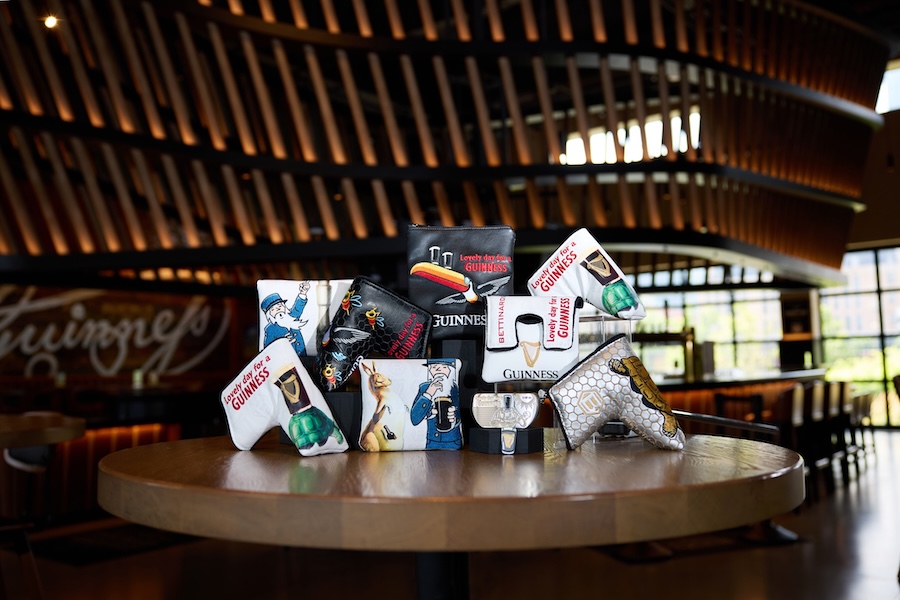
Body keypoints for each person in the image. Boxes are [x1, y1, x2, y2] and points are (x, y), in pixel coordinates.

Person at [410, 358, 461, 449]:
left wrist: (454, 419)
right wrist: (429, 393)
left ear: (451, 371)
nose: (438, 370)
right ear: (430, 371)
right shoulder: (424, 388)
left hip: (453, 441)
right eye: (434, 367)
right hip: (432, 441)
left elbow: (459, 414)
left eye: (444, 367)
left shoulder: (454, 388)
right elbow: (415, 419)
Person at [261, 281, 310, 355]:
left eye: (280, 306)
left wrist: (303, 293)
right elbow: (268, 349)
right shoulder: (270, 329)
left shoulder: (292, 317)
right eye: (273, 309)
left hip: (303, 357)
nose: (278, 309)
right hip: (285, 359)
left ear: (284, 307)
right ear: (269, 314)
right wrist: (282, 344)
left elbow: (298, 307)